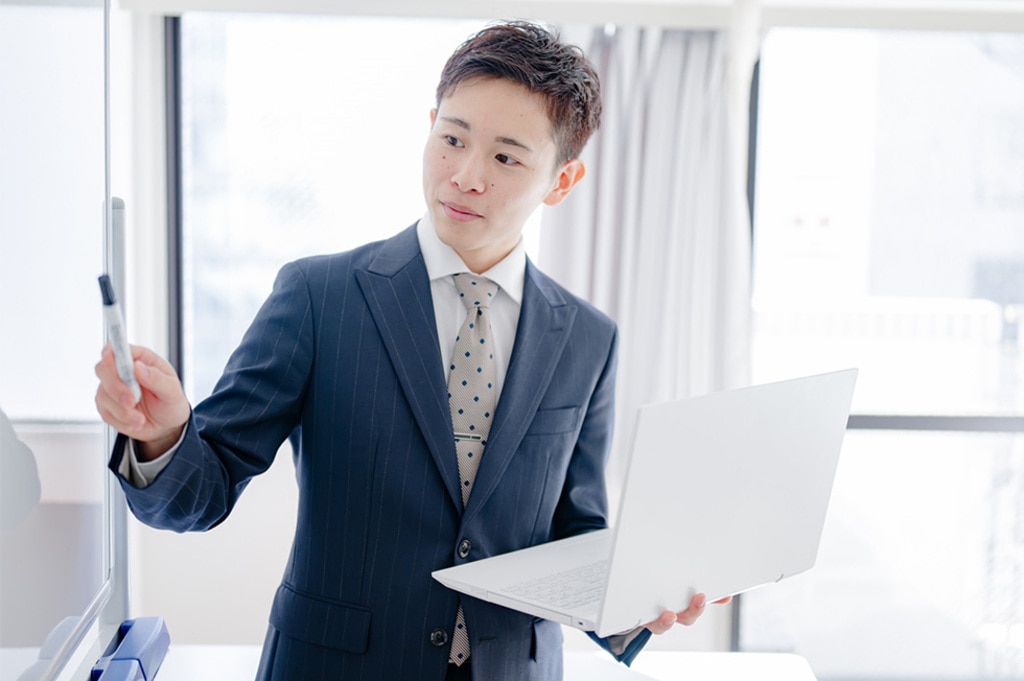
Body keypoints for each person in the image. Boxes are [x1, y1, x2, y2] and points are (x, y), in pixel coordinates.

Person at [94, 21, 726, 681]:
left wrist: (636, 601)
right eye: (452, 139)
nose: (466, 176)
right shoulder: (319, 297)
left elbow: (575, 533)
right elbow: (202, 491)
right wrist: (164, 436)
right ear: (430, 127)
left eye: (506, 158)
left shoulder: (589, 338)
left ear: (562, 180)